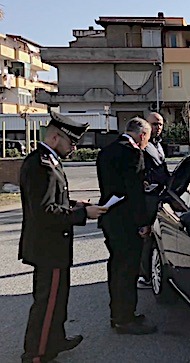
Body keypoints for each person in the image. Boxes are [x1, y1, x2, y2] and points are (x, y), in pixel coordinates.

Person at [19, 111, 108, 363]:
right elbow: (45, 212)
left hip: (54, 245)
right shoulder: (41, 165)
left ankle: (54, 341)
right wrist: (82, 214)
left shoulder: (49, 160)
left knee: (57, 301)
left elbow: (52, 200)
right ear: (56, 137)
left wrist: (75, 203)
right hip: (49, 247)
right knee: (47, 304)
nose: (75, 147)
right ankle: (36, 353)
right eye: (72, 142)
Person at [97, 117, 157, 335]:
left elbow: (114, 184)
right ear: (142, 135)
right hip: (127, 221)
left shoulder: (106, 151)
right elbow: (134, 193)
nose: (146, 143)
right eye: (147, 138)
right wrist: (143, 223)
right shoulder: (133, 153)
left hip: (111, 218)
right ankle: (126, 318)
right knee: (128, 271)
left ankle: (117, 314)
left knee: (116, 269)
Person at [137, 112, 170, 289]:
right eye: (155, 124)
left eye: (160, 124)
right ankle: (144, 275)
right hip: (147, 198)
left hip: (160, 196)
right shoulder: (142, 146)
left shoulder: (159, 145)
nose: (158, 128)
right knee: (146, 235)